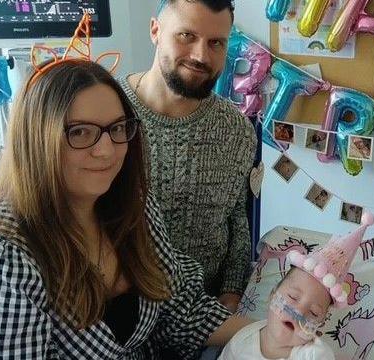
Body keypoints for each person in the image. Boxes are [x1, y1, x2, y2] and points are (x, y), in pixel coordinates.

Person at [0, 56, 250, 357]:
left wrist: (268, 332)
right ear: (36, 140)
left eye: (117, 128)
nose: (106, 151)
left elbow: (181, 312)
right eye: (79, 132)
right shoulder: (6, 256)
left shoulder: (134, 207)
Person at [119, 0, 256, 312]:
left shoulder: (237, 130)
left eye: (216, 43)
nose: (200, 56)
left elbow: (236, 216)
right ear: (155, 30)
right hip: (121, 317)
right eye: (186, 36)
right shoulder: (109, 117)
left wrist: (232, 292)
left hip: (207, 315)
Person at [219, 214, 374, 360]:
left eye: (314, 313)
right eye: (293, 297)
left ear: (319, 324)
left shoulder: (314, 355)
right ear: (272, 295)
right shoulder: (242, 340)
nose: (298, 312)